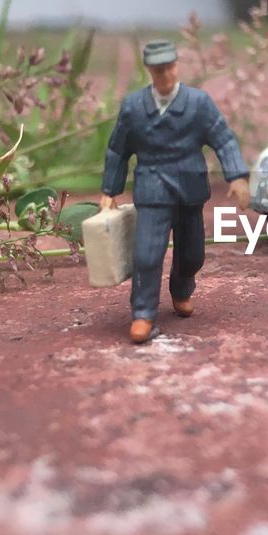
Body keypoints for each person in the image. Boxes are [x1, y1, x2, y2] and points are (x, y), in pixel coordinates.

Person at [99, 39, 251, 343]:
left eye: (169, 68)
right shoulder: (134, 107)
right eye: (158, 70)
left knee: (192, 254)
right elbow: (118, 150)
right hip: (152, 189)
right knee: (146, 255)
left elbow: (223, 139)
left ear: (177, 66)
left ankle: (182, 289)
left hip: (189, 188)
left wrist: (236, 176)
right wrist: (110, 190)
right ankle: (143, 314)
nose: (165, 76)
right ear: (149, 71)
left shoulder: (198, 103)